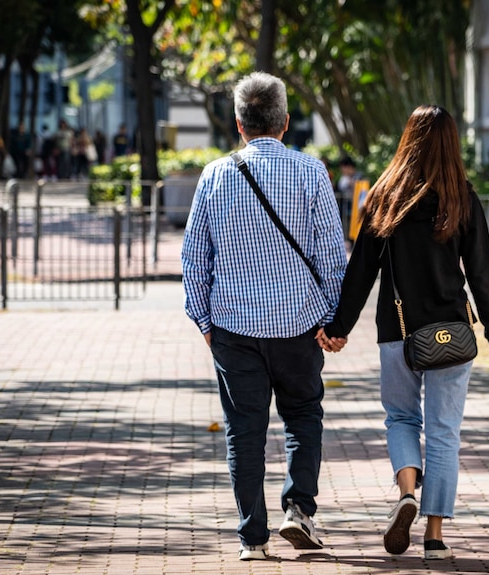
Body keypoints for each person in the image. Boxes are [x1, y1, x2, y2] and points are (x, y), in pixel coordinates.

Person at [317, 105, 489, 560]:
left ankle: (407, 491)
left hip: (397, 332)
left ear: (408, 140)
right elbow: (482, 274)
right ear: (452, 144)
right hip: (452, 335)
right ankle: (435, 537)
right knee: (444, 432)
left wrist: (338, 328)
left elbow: (361, 270)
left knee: (402, 418)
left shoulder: (385, 195)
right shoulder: (461, 196)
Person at [181, 72, 347, 561]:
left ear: (238, 124)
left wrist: (205, 322)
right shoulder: (312, 173)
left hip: (234, 329)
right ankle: (300, 509)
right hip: (300, 326)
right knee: (303, 416)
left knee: (244, 430)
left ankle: (252, 537)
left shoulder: (215, 175)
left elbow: (195, 259)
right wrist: (332, 320)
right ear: (286, 122)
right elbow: (333, 257)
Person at [336, 155, 361, 243]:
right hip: (345, 208)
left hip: (357, 208)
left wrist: (352, 183)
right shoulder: (343, 178)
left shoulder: (359, 176)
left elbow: (362, 190)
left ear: (349, 166)